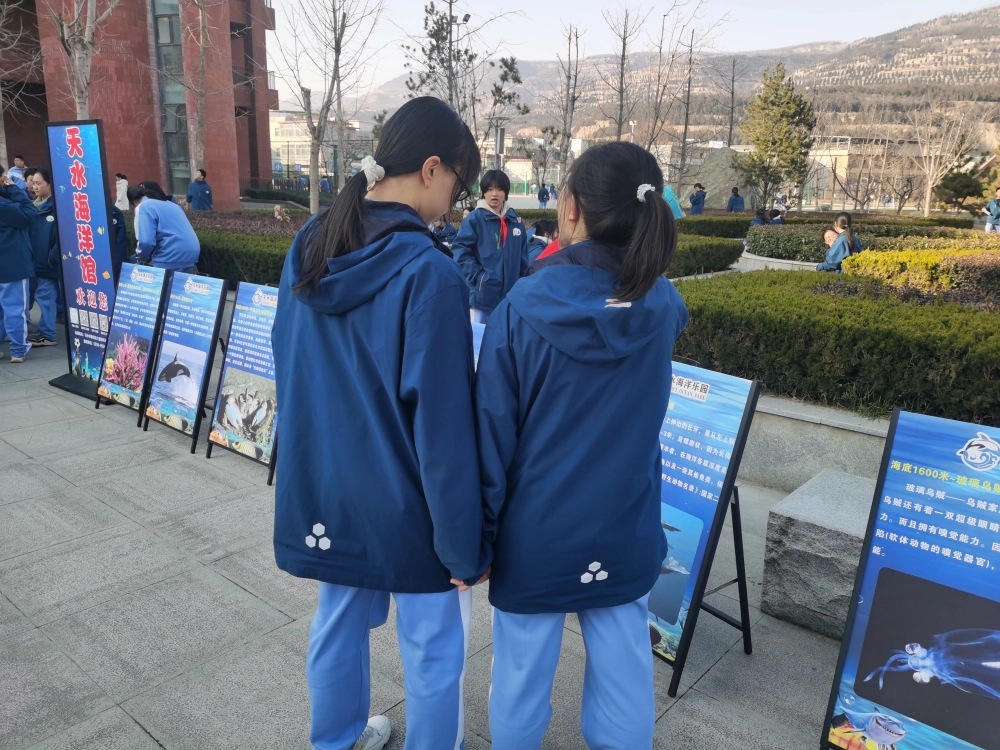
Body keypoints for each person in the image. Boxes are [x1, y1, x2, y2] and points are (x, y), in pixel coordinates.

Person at [271, 96, 487, 750]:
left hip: (327, 487)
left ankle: (335, 741)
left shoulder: (312, 243)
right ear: (431, 168)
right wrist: (464, 547)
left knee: (338, 622)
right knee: (433, 648)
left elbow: (288, 363)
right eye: (459, 184)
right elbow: (444, 432)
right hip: (407, 506)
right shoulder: (430, 274)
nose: (454, 202)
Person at [476, 141, 689, 748]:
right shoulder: (664, 304)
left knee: (519, 678)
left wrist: (479, 538)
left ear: (571, 207)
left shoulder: (522, 306)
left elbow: (491, 435)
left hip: (535, 534)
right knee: (626, 677)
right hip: (626, 525)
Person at [452, 169, 530, 323]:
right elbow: (460, 251)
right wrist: (479, 278)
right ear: (484, 192)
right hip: (482, 297)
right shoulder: (474, 219)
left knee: (505, 336)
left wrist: (521, 283)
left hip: (511, 298)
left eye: (499, 189)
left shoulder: (515, 220)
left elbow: (523, 256)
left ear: (506, 193)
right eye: (489, 189)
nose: (494, 194)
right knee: (480, 336)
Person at [0, 169, 37, 363]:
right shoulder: (5, 205)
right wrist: (13, 189)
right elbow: (30, 213)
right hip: (12, 264)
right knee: (15, 308)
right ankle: (18, 349)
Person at [128, 181, 201, 271]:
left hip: (170, 255)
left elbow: (146, 242)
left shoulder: (143, 207)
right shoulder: (173, 205)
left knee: (133, 263)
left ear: (133, 203)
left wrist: (141, 257)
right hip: (192, 255)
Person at [26, 168, 59, 348]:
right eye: (33, 183)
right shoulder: (33, 206)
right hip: (36, 261)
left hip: (48, 263)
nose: (35, 187)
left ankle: (48, 334)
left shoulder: (56, 207)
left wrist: (51, 258)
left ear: (50, 184)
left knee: (45, 297)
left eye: (39, 183)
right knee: (42, 296)